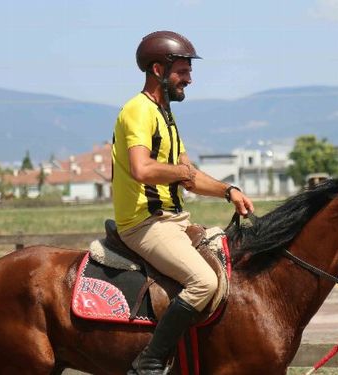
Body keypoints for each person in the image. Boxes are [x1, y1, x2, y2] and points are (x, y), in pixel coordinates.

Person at [111, 31, 254, 375]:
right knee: (204, 282)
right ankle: (149, 361)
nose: (189, 78)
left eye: (189, 71)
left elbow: (189, 175)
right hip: (145, 225)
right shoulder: (138, 111)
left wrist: (227, 191)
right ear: (157, 69)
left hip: (173, 221)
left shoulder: (166, 116)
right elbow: (142, 168)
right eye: (182, 71)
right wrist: (180, 171)